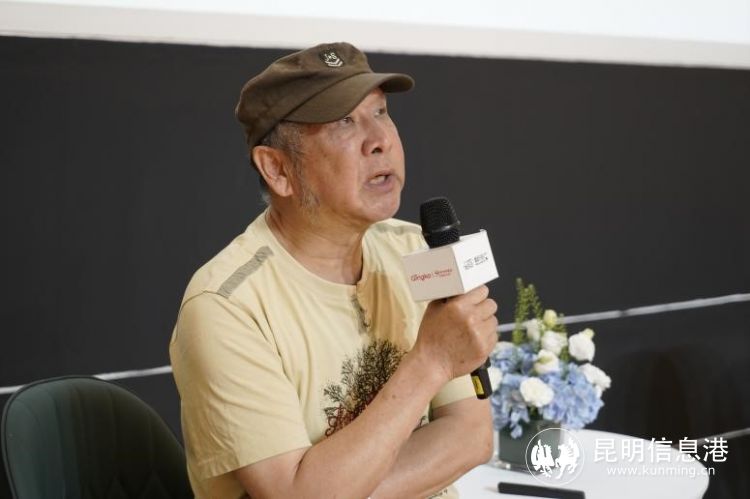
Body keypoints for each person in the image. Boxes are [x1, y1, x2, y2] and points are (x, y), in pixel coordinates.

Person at [169, 41, 498, 498]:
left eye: (380, 112)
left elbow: (472, 436)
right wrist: (431, 362)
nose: (380, 140)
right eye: (344, 122)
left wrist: (343, 488)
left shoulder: (413, 250)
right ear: (277, 170)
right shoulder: (227, 306)